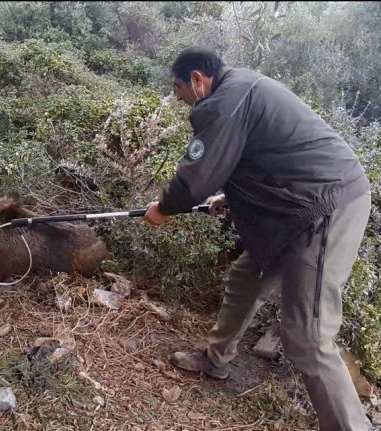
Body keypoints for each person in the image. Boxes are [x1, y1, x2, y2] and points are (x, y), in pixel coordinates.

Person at [140, 47, 373, 431]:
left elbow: (194, 178)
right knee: (246, 277)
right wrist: (229, 197)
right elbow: (270, 157)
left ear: (198, 80)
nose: (179, 98)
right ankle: (216, 360)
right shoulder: (243, 89)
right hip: (301, 210)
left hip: (325, 212)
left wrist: (163, 209)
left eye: (179, 89)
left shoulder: (225, 102)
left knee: (309, 340)